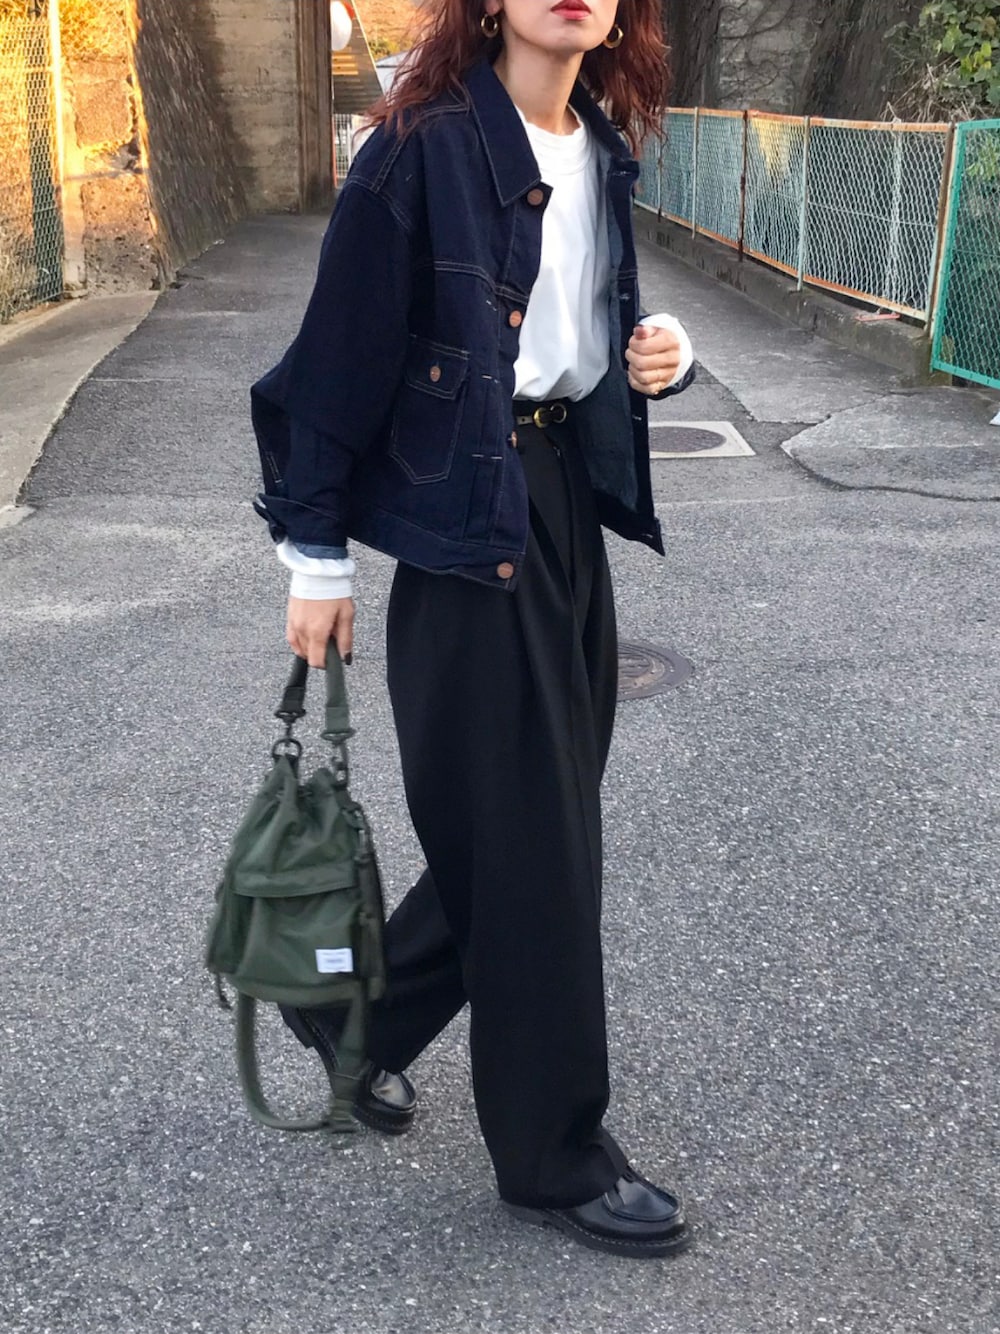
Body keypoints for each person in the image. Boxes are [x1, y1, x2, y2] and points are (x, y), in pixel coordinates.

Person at [250, 0, 696, 1259]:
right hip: (466, 530)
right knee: (539, 849)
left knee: (527, 824)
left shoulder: (598, 144)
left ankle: (354, 1022)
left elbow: (573, 334)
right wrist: (315, 556)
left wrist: (661, 352)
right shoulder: (421, 145)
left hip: (561, 509)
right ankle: (551, 1154)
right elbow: (335, 360)